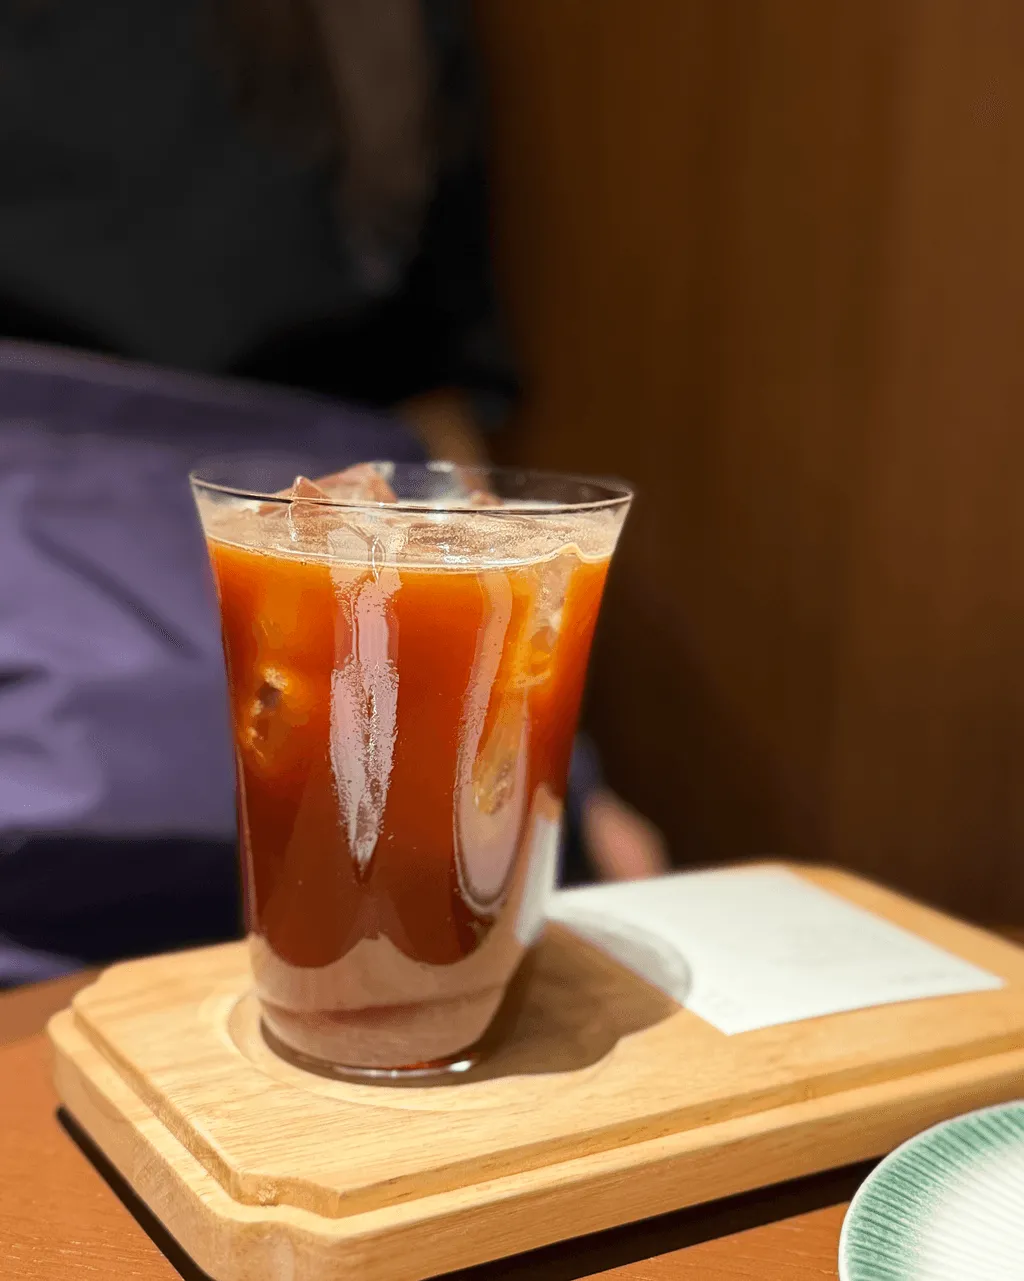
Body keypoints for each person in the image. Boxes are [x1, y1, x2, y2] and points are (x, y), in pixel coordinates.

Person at [0, 2, 667, 983]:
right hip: (44, 687)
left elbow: (432, 399)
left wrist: (560, 761)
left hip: (379, 627)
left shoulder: (391, 26)